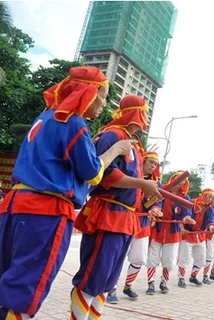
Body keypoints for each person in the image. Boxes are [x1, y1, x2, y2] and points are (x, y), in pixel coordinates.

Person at [0, 67, 135, 319]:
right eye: (103, 96)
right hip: (46, 211)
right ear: (89, 93)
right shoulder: (74, 123)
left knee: (7, 277)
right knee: (27, 286)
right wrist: (115, 150)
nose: (104, 104)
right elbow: (93, 173)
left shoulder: (44, 118)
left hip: (14, 205)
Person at [70, 95, 162, 319]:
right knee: (93, 275)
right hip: (108, 214)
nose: (147, 118)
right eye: (145, 112)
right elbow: (105, 175)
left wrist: (148, 198)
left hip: (125, 218)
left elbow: (134, 190)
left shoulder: (134, 145)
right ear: (135, 113)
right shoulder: (112, 136)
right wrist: (141, 183)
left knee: (107, 279)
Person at [106, 151, 163, 304]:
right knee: (118, 257)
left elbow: (158, 201)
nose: (153, 166)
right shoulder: (131, 176)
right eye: (151, 162)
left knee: (139, 258)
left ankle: (128, 285)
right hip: (125, 220)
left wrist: (155, 209)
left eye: (155, 164)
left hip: (143, 225)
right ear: (142, 161)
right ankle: (111, 287)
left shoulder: (156, 183)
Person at [146, 171, 195, 293]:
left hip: (173, 231)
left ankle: (164, 282)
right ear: (173, 178)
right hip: (157, 228)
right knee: (152, 257)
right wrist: (156, 210)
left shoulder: (185, 197)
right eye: (178, 178)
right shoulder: (162, 189)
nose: (180, 181)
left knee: (170, 258)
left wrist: (186, 219)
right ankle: (150, 283)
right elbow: (155, 202)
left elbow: (186, 213)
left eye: (183, 179)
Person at [177, 188, 214, 287]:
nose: (210, 199)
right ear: (203, 195)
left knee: (201, 259)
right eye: (209, 196)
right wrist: (181, 227)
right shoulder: (191, 203)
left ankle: (193, 276)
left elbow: (210, 220)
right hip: (188, 234)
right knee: (184, 258)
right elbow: (182, 215)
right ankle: (181, 278)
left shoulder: (210, 208)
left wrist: (211, 227)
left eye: (212, 197)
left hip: (200, 235)